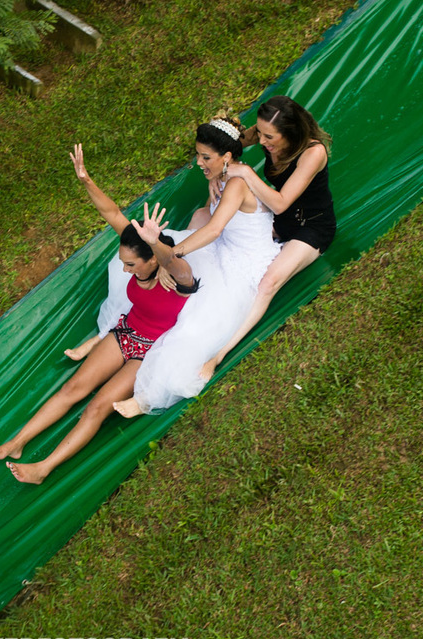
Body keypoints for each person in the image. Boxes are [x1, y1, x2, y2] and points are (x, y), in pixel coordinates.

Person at [0, 145, 198, 484]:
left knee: (97, 406)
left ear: (152, 258)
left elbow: (172, 261)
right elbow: (112, 212)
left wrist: (157, 244)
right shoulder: (137, 254)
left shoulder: (177, 278)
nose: (125, 270)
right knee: (73, 388)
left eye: (131, 264)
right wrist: (85, 179)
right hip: (126, 333)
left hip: (149, 351)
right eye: (123, 262)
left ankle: (43, 468)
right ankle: (18, 442)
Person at [89, 117, 282, 416]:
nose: (198, 163)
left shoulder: (237, 183)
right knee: (156, 275)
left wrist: (171, 255)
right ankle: (114, 332)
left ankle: (149, 393)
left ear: (226, 157)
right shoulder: (221, 175)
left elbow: (215, 229)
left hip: (243, 261)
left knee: (195, 313)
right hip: (221, 248)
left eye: (205, 157)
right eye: (198, 155)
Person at [198, 95, 335, 380]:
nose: (261, 141)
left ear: (290, 132)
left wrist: (247, 173)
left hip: (310, 227)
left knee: (268, 283)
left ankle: (219, 354)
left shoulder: (313, 153)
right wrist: (215, 174)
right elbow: (226, 147)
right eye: (259, 133)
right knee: (219, 228)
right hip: (279, 221)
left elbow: (281, 203)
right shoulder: (264, 135)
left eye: (269, 137)